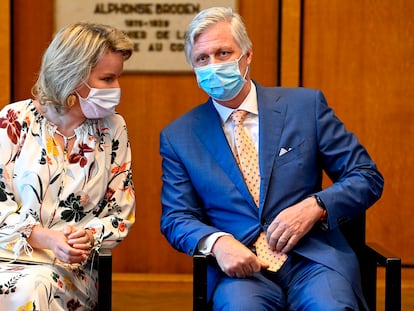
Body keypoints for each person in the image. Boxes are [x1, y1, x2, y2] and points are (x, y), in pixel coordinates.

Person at [160, 7, 383, 310]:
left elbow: (366, 175)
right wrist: (218, 242)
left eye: (224, 53)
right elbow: (176, 217)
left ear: (247, 55)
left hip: (312, 260)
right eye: (202, 59)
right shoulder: (179, 136)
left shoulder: (305, 106)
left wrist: (315, 206)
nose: (213, 65)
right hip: (240, 271)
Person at [0, 22, 135, 310]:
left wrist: (87, 236)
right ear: (72, 77)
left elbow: (120, 215)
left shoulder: (113, 129)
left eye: (117, 78)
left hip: (70, 271)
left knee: (33, 288)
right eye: (108, 79)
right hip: (8, 255)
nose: (117, 89)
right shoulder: (14, 119)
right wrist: (41, 236)